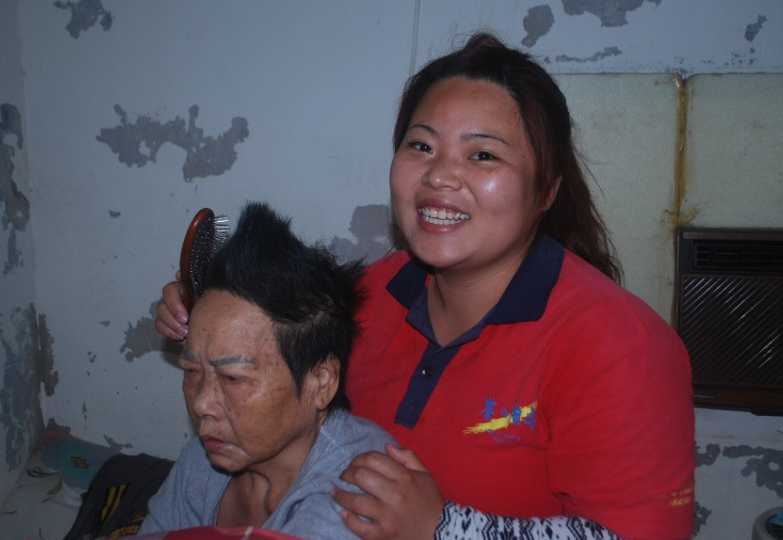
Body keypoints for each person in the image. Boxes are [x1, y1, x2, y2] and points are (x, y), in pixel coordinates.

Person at [156, 33, 695, 540]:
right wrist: (208, 314)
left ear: (547, 190)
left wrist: (442, 527)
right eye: (421, 145)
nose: (439, 175)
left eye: (482, 155)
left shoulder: (620, 345)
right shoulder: (369, 297)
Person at [141, 202, 396, 538]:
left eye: (233, 378)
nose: (201, 404)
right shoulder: (202, 461)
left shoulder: (357, 496)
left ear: (321, 382)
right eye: (192, 371)